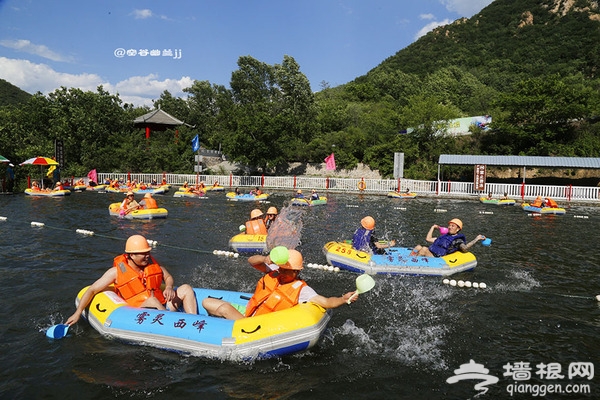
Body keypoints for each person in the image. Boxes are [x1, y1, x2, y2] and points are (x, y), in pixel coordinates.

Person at [66, 235, 197, 327]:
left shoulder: (151, 266)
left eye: (148, 253)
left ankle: (195, 321)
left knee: (186, 288)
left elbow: (168, 277)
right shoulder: (116, 272)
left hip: (162, 305)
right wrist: (78, 313)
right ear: (131, 255)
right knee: (152, 300)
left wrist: (168, 287)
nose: (147, 256)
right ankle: (172, 325)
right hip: (139, 310)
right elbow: (92, 290)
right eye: (143, 253)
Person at [201, 249, 358, 320]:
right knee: (206, 302)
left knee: (224, 308)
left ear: (296, 272)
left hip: (255, 324)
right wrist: (264, 259)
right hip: (249, 312)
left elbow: (326, 301)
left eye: (286, 270)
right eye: (281, 268)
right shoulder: (274, 271)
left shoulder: (303, 290)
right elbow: (251, 261)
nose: (281, 272)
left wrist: (343, 299)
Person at [410, 218, 485, 257]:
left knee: (423, 249)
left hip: (438, 257)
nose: (450, 227)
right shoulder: (445, 236)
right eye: (449, 225)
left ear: (458, 229)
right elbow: (428, 239)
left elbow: (465, 248)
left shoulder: (458, 240)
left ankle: (412, 264)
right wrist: (433, 227)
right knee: (418, 246)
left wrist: (476, 239)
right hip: (432, 253)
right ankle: (408, 260)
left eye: (453, 226)